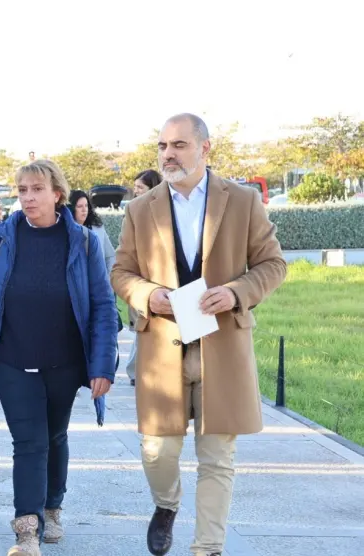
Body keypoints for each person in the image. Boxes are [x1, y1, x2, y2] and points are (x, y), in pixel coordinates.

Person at [111, 114, 286, 556]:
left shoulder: (243, 201)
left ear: (205, 148)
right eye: (162, 146)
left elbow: (272, 264)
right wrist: (147, 295)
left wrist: (236, 292)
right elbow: (121, 272)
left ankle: (207, 547)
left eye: (179, 145)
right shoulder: (139, 208)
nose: (168, 154)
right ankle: (166, 503)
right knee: (158, 452)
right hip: (161, 351)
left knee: (217, 459)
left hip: (222, 350)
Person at [0, 160, 119, 556]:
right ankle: (27, 529)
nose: (27, 197)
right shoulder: (2, 238)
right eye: (22, 190)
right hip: (12, 359)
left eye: (36, 189)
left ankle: (52, 506)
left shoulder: (83, 241)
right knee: (29, 441)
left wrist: (102, 365)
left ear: (57, 194)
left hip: (64, 361)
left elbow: (102, 305)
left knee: (54, 436)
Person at [125, 169, 163, 386]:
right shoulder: (134, 211)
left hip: (158, 278)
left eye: (141, 187)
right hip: (139, 280)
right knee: (142, 325)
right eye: (136, 187)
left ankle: (138, 370)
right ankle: (135, 371)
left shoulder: (162, 213)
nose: (136, 191)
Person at [69, 189, 116, 273]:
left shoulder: (98, 228)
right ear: (72, 209)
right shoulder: (65, 231)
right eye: (79, 206)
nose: (84, 209)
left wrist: (108, 277)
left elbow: (110, 256)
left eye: (86, 205)